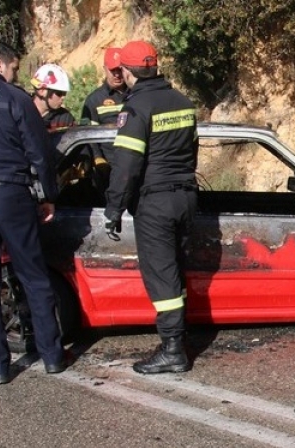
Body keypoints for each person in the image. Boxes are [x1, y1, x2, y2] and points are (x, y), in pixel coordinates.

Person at [0, 41, 70, 384]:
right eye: (12, 67)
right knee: (33, 274)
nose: (13, 73)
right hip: (10, 193)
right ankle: (52, 356)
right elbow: (39, 151)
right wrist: (48, 196)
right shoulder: (14, 98)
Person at [104, 40, 198, 374]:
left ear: (128, 72)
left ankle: (173, 349)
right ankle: (178, 339)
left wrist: (114, 209)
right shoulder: (183, 102)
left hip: (155, 201)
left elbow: (126, 166)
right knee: (175, 270)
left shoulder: (137, 108)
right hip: (186, 197)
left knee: (161, 277)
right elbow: (192, 152)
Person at [81, 47, 127, 188]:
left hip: (136, 165)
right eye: (113, 71)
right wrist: (98, 158)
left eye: (120, 70)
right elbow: (86, 134)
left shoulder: (137, 95)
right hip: (109, 171)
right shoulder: (94, 100)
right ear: (105, 69)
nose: (117, 75)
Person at [30, 63, 75, 132]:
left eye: (65, 93)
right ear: (41, 91)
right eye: (59, 93)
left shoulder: (66, 119)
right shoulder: (22, 113)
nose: (63, 97)